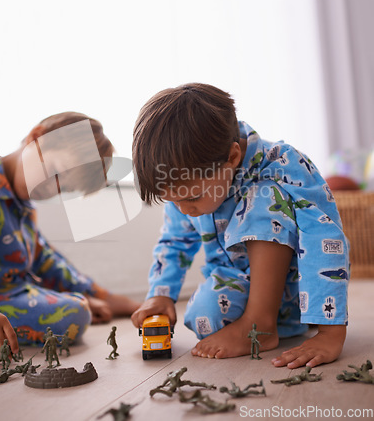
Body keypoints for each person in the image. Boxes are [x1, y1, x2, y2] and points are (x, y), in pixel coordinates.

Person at [131, 83, 349, 369]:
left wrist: (330, 334)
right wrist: (160, 295)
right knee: (203, 317)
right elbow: (174, 241)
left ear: (232, 158)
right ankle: (262, 327)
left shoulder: (283, 166)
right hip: (241, 287)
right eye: (172, 201)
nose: (185, 210)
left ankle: (259, 322)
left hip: (299, 294)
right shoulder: (186, 187)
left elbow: (324, 238)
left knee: (264, 199)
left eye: (192, 198)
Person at [0, 112, 139, 355]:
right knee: (77, 313)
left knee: (79, 303)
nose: (53, 189)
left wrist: (102, 296)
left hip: (12, 294)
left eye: (65, 188)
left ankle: (91, 299)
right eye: (55, 172)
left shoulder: (23, 209)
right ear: (36, 137)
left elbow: (47, 262)